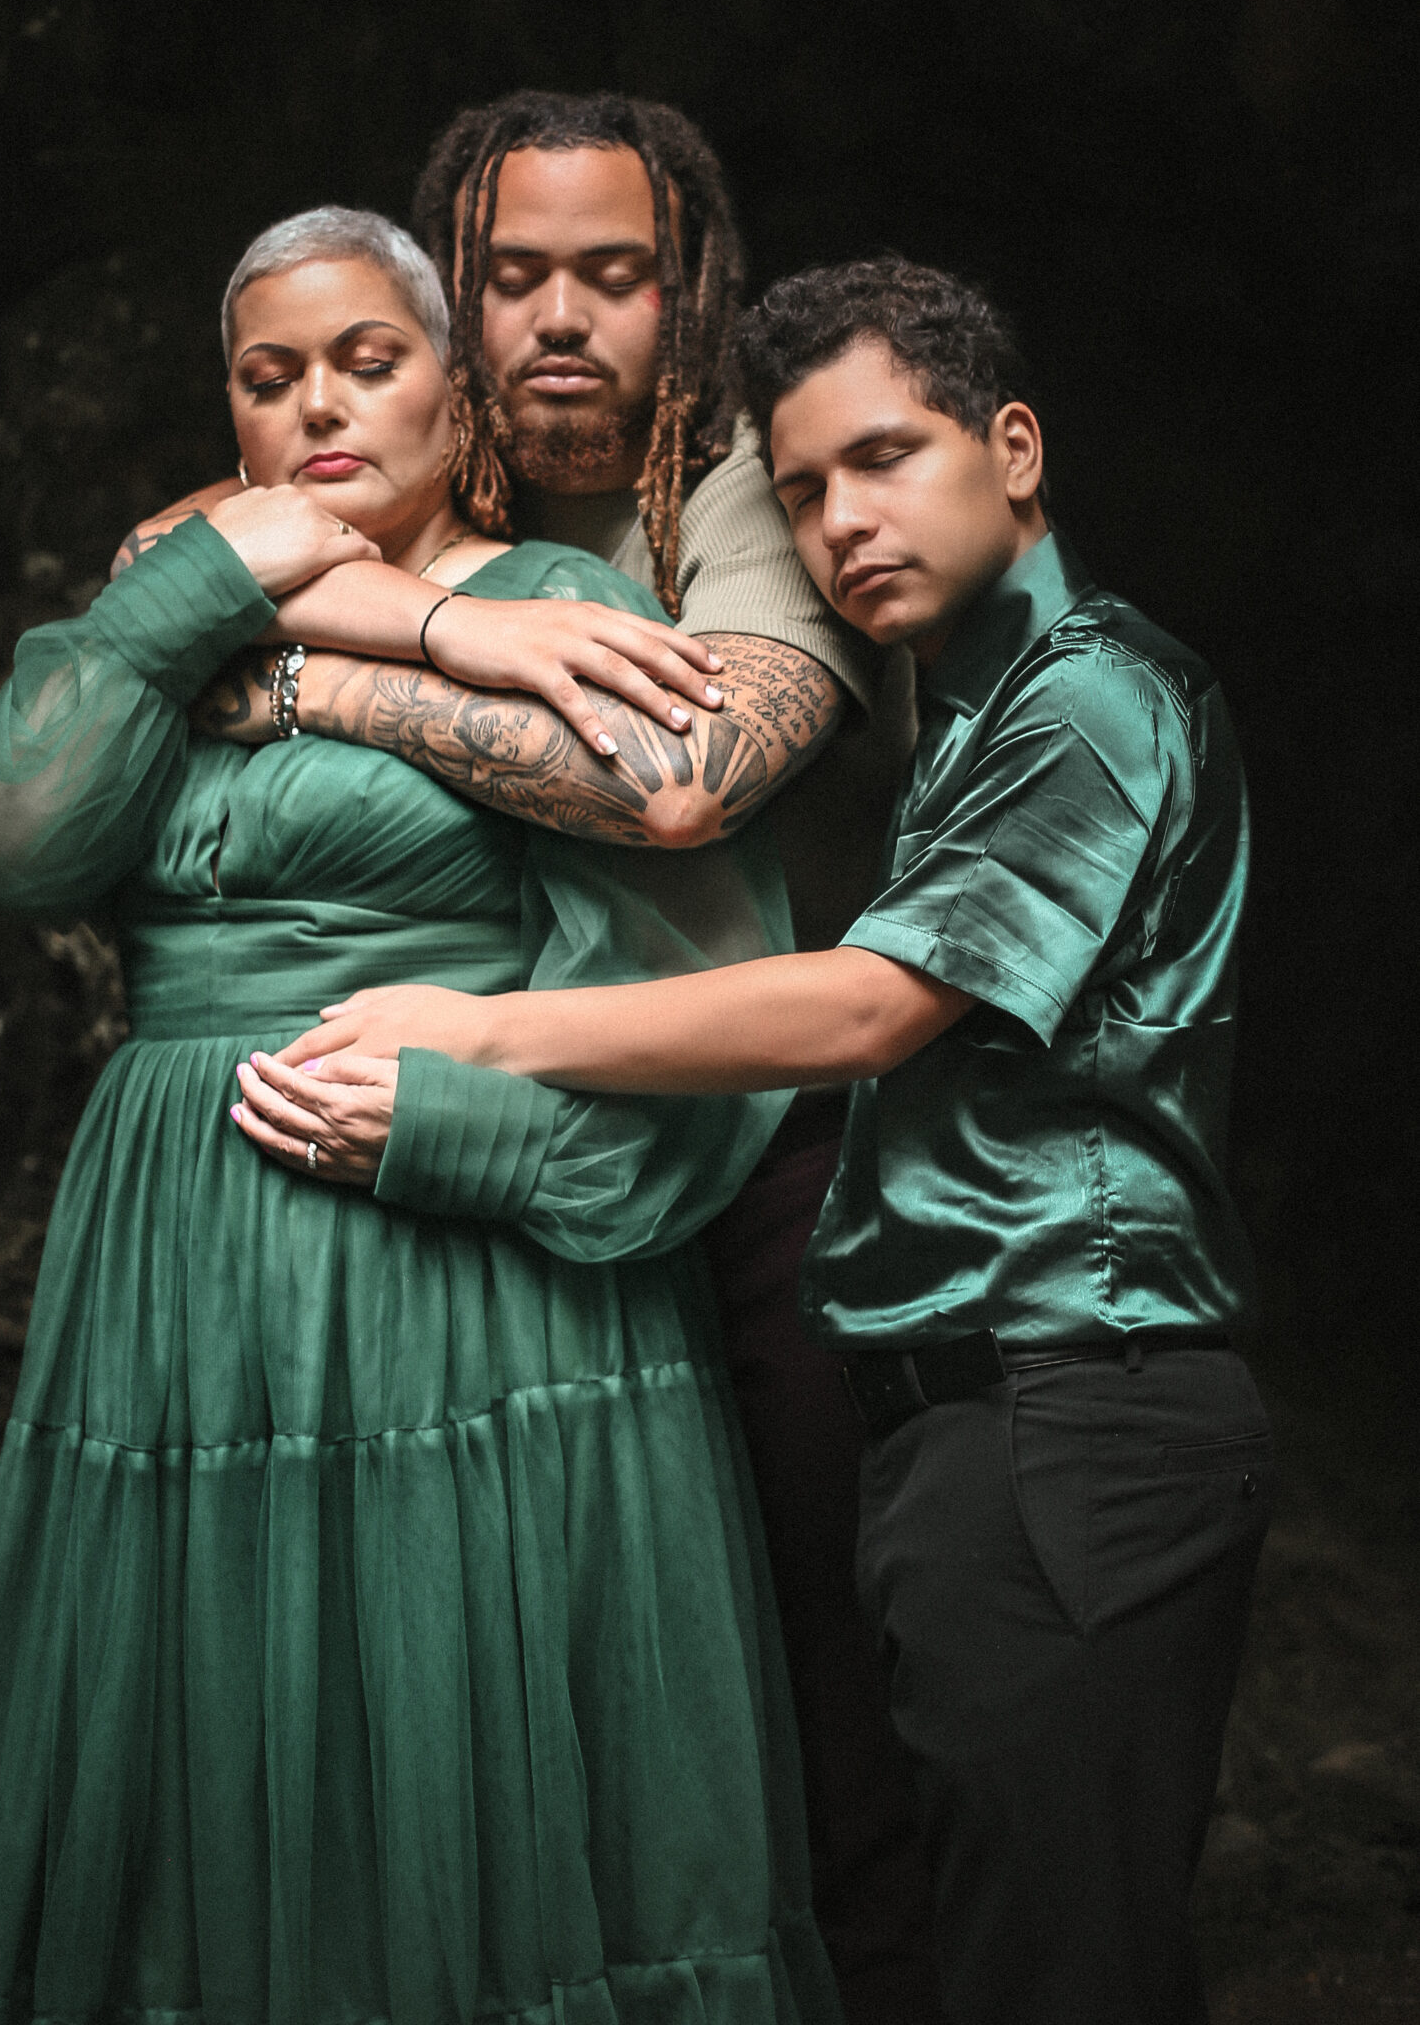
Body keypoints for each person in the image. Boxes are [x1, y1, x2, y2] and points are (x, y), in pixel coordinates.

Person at [256, 254, 1273, 2025]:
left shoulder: (1098, 692)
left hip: (1072, 1398)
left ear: (1015, 449)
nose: (840, 523)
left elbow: (870, 1008)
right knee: (1003, 1940)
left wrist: (486, 1029)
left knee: (1062, 1971)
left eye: (884, 459)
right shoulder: (963, 716)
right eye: (800, 492)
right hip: (981, 1420)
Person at [0, 209, 839, 2025]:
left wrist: (455, 1132)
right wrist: (195, 593)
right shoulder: (162, 618)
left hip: (472, 1285)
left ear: (457, 400)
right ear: (227, 418)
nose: (318, 401)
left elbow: (694, 1018)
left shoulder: (579, 617)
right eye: (268, 375)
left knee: (465, 1746)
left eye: (368, 364)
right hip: (176, 1268)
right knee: (198, 1740)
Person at [129, 94, 936, 2023]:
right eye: (513, 277)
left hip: (766, 1149)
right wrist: (437, 630)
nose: (563, 318)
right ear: (443, 302)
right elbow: (158, 571)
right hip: (482, 1141)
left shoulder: (746, 488)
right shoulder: (369, 446)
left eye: (617, 273)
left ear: (692, 296)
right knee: (513, 1663)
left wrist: (318, 665)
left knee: (813, 1666)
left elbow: (683, 780)